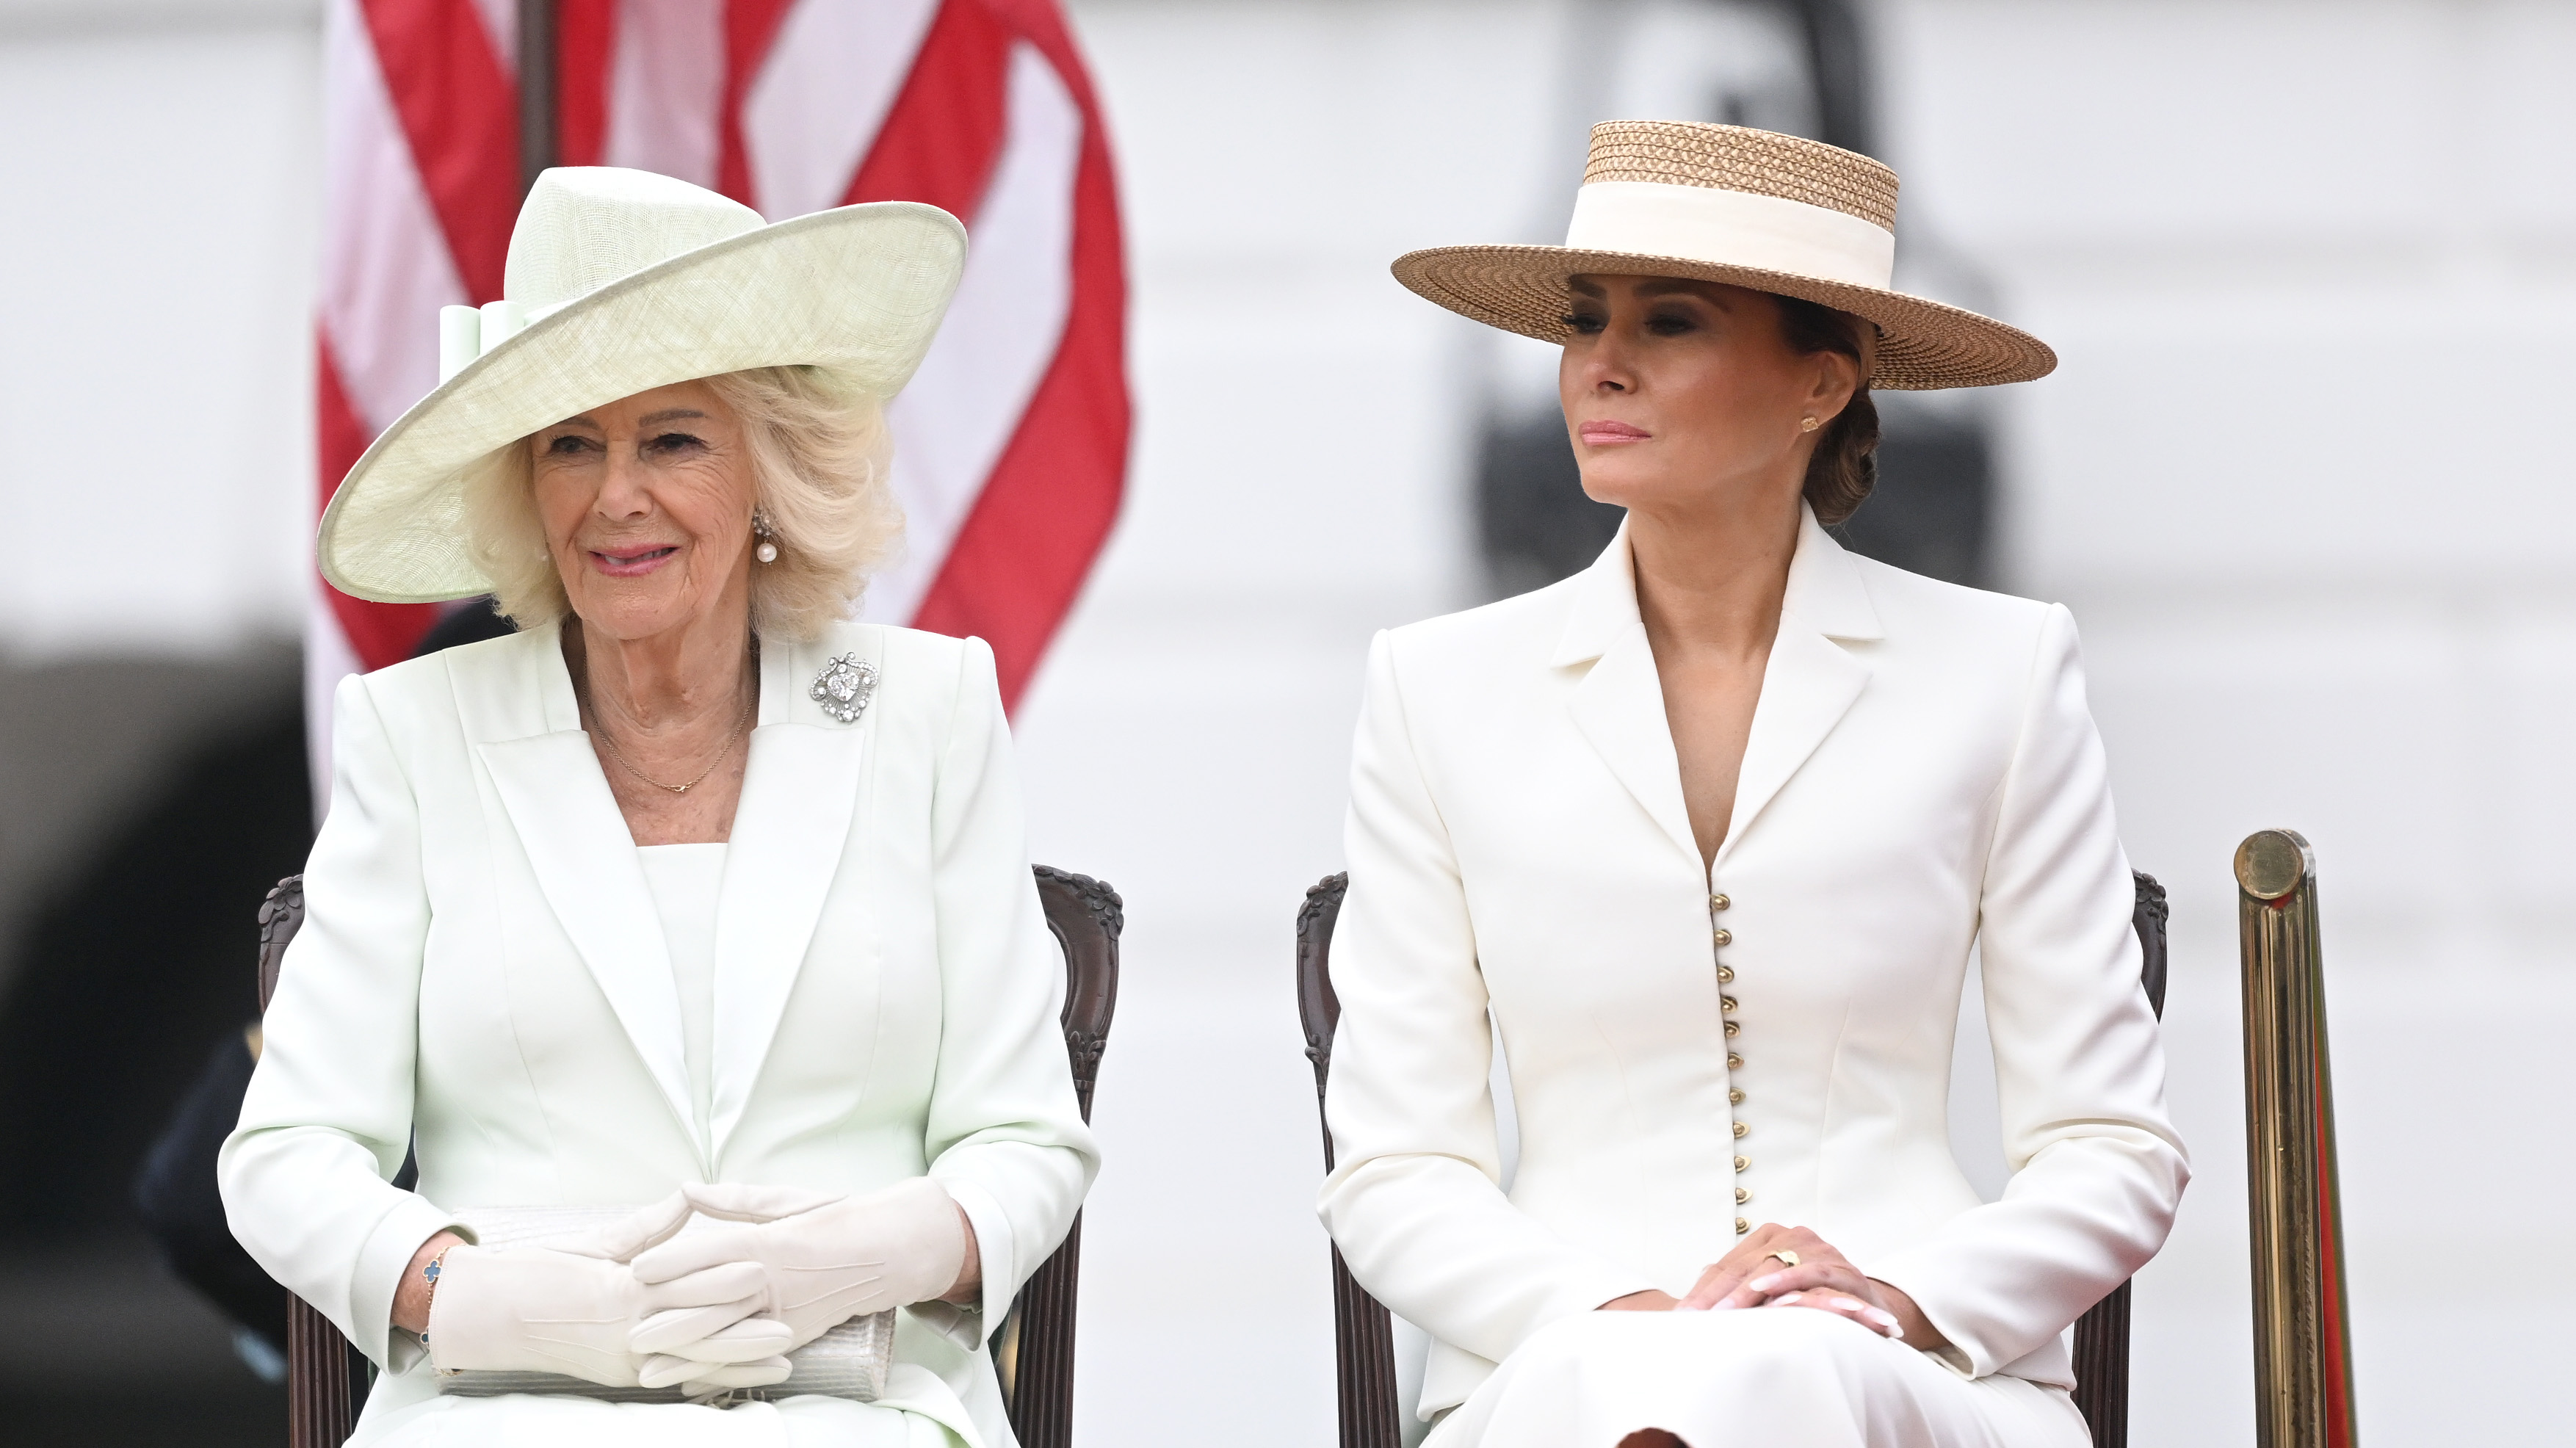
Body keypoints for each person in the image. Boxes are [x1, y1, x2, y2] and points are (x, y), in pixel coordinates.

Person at [1317, 121, 2188, 1448]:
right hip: (1554, 1363)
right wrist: (1607, 1315)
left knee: (1791, 1377)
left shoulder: (2000, 673)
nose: (1599, 365)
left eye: (1669, 322)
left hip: (1908, 1375)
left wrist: (1903, 1297)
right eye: (1584, 319)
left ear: (1819, 386)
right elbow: (1392, 1165)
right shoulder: (1435, 691)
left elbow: (2113, 1146)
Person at [220, 167, 1098, 1448]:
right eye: (573, 443)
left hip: (852, 1415)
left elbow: (1028, 1141)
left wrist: (860, 1257)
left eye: (672, 438)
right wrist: (480, 1302)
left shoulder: (930, 712)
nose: (615, 494)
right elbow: (285, 1157)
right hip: (501, 1421)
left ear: (771, 474)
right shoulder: (415, 735)